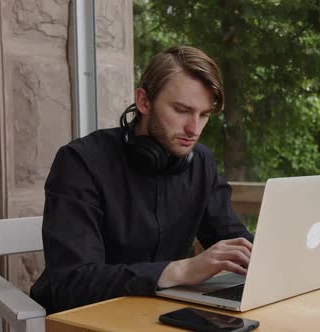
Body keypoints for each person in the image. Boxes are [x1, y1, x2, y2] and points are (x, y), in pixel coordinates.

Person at [30, 46, 254, 314]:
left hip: (158, 313)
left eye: (204, 115)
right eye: (182, 110)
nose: (194, 129)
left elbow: (233, 239)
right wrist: (182, 269)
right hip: (85, 317)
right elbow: (73, 282)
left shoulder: (201, 162)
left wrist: (266, 259)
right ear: (144, 101)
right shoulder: (79, 162)